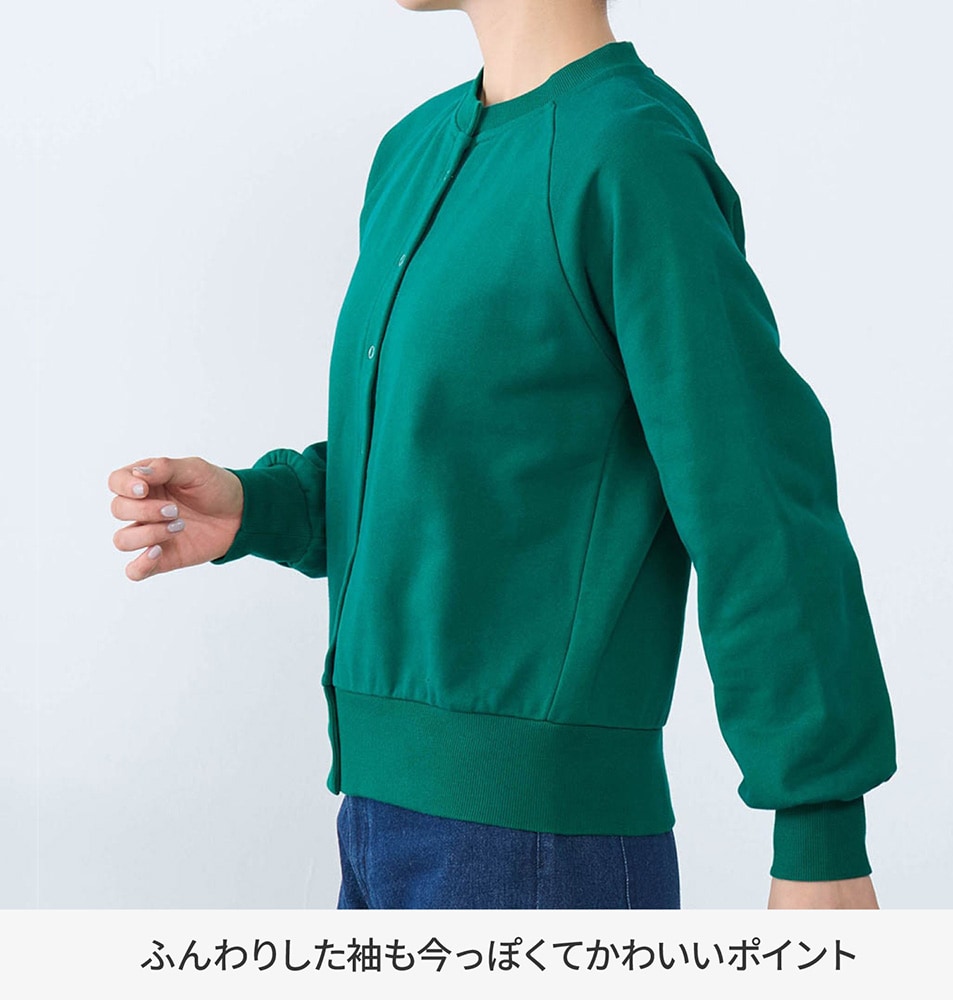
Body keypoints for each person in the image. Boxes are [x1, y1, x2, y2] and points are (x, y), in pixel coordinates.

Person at [107, 0, 897, 909]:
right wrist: (263, 507)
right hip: (377, 818)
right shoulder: (411, 153)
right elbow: (459, 460)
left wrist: (819, 832)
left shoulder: (629, 153)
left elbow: (750, 489)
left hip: (538, 845)